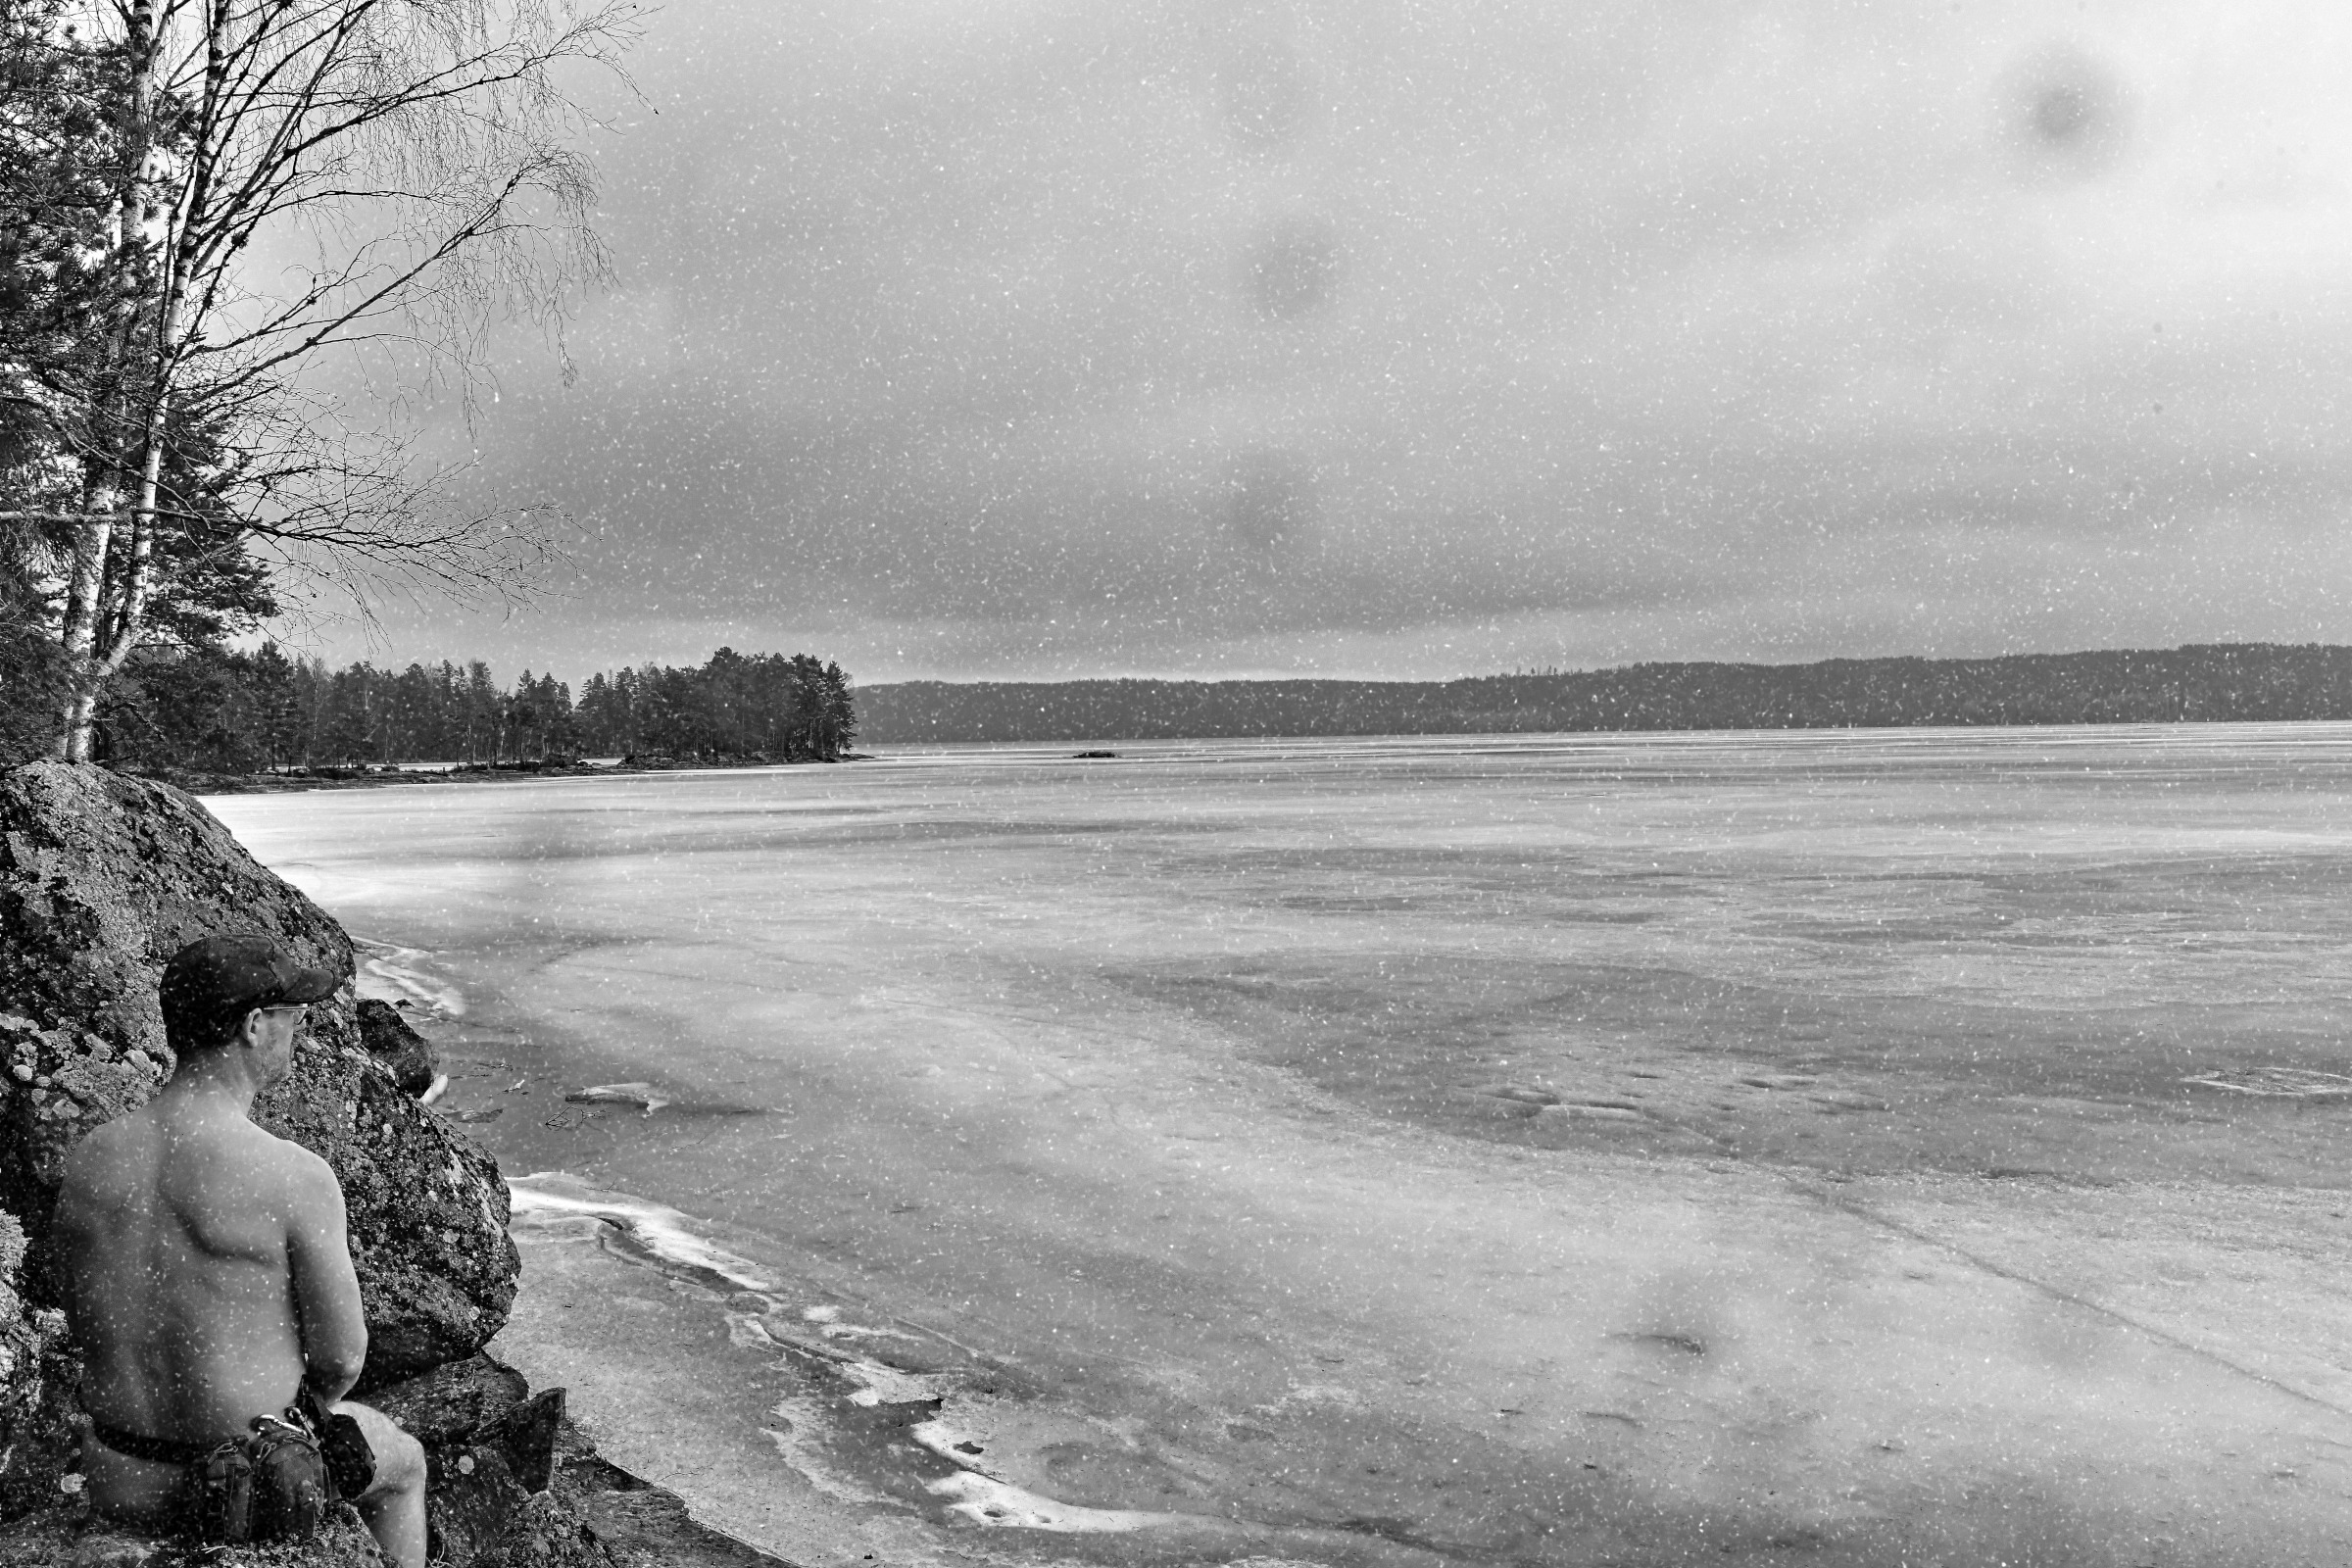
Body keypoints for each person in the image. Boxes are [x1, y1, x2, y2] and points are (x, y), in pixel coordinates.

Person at [51, 933, 427, 1566]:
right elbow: (342, 1356)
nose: (300, 1029)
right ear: (253, 1026)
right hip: (237, 1489)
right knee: (407, 1463)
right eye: (293, 1016)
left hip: (115, 1475)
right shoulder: (292, 1178)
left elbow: (86, 1310)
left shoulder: (90, 1162)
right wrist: (293, 1413)